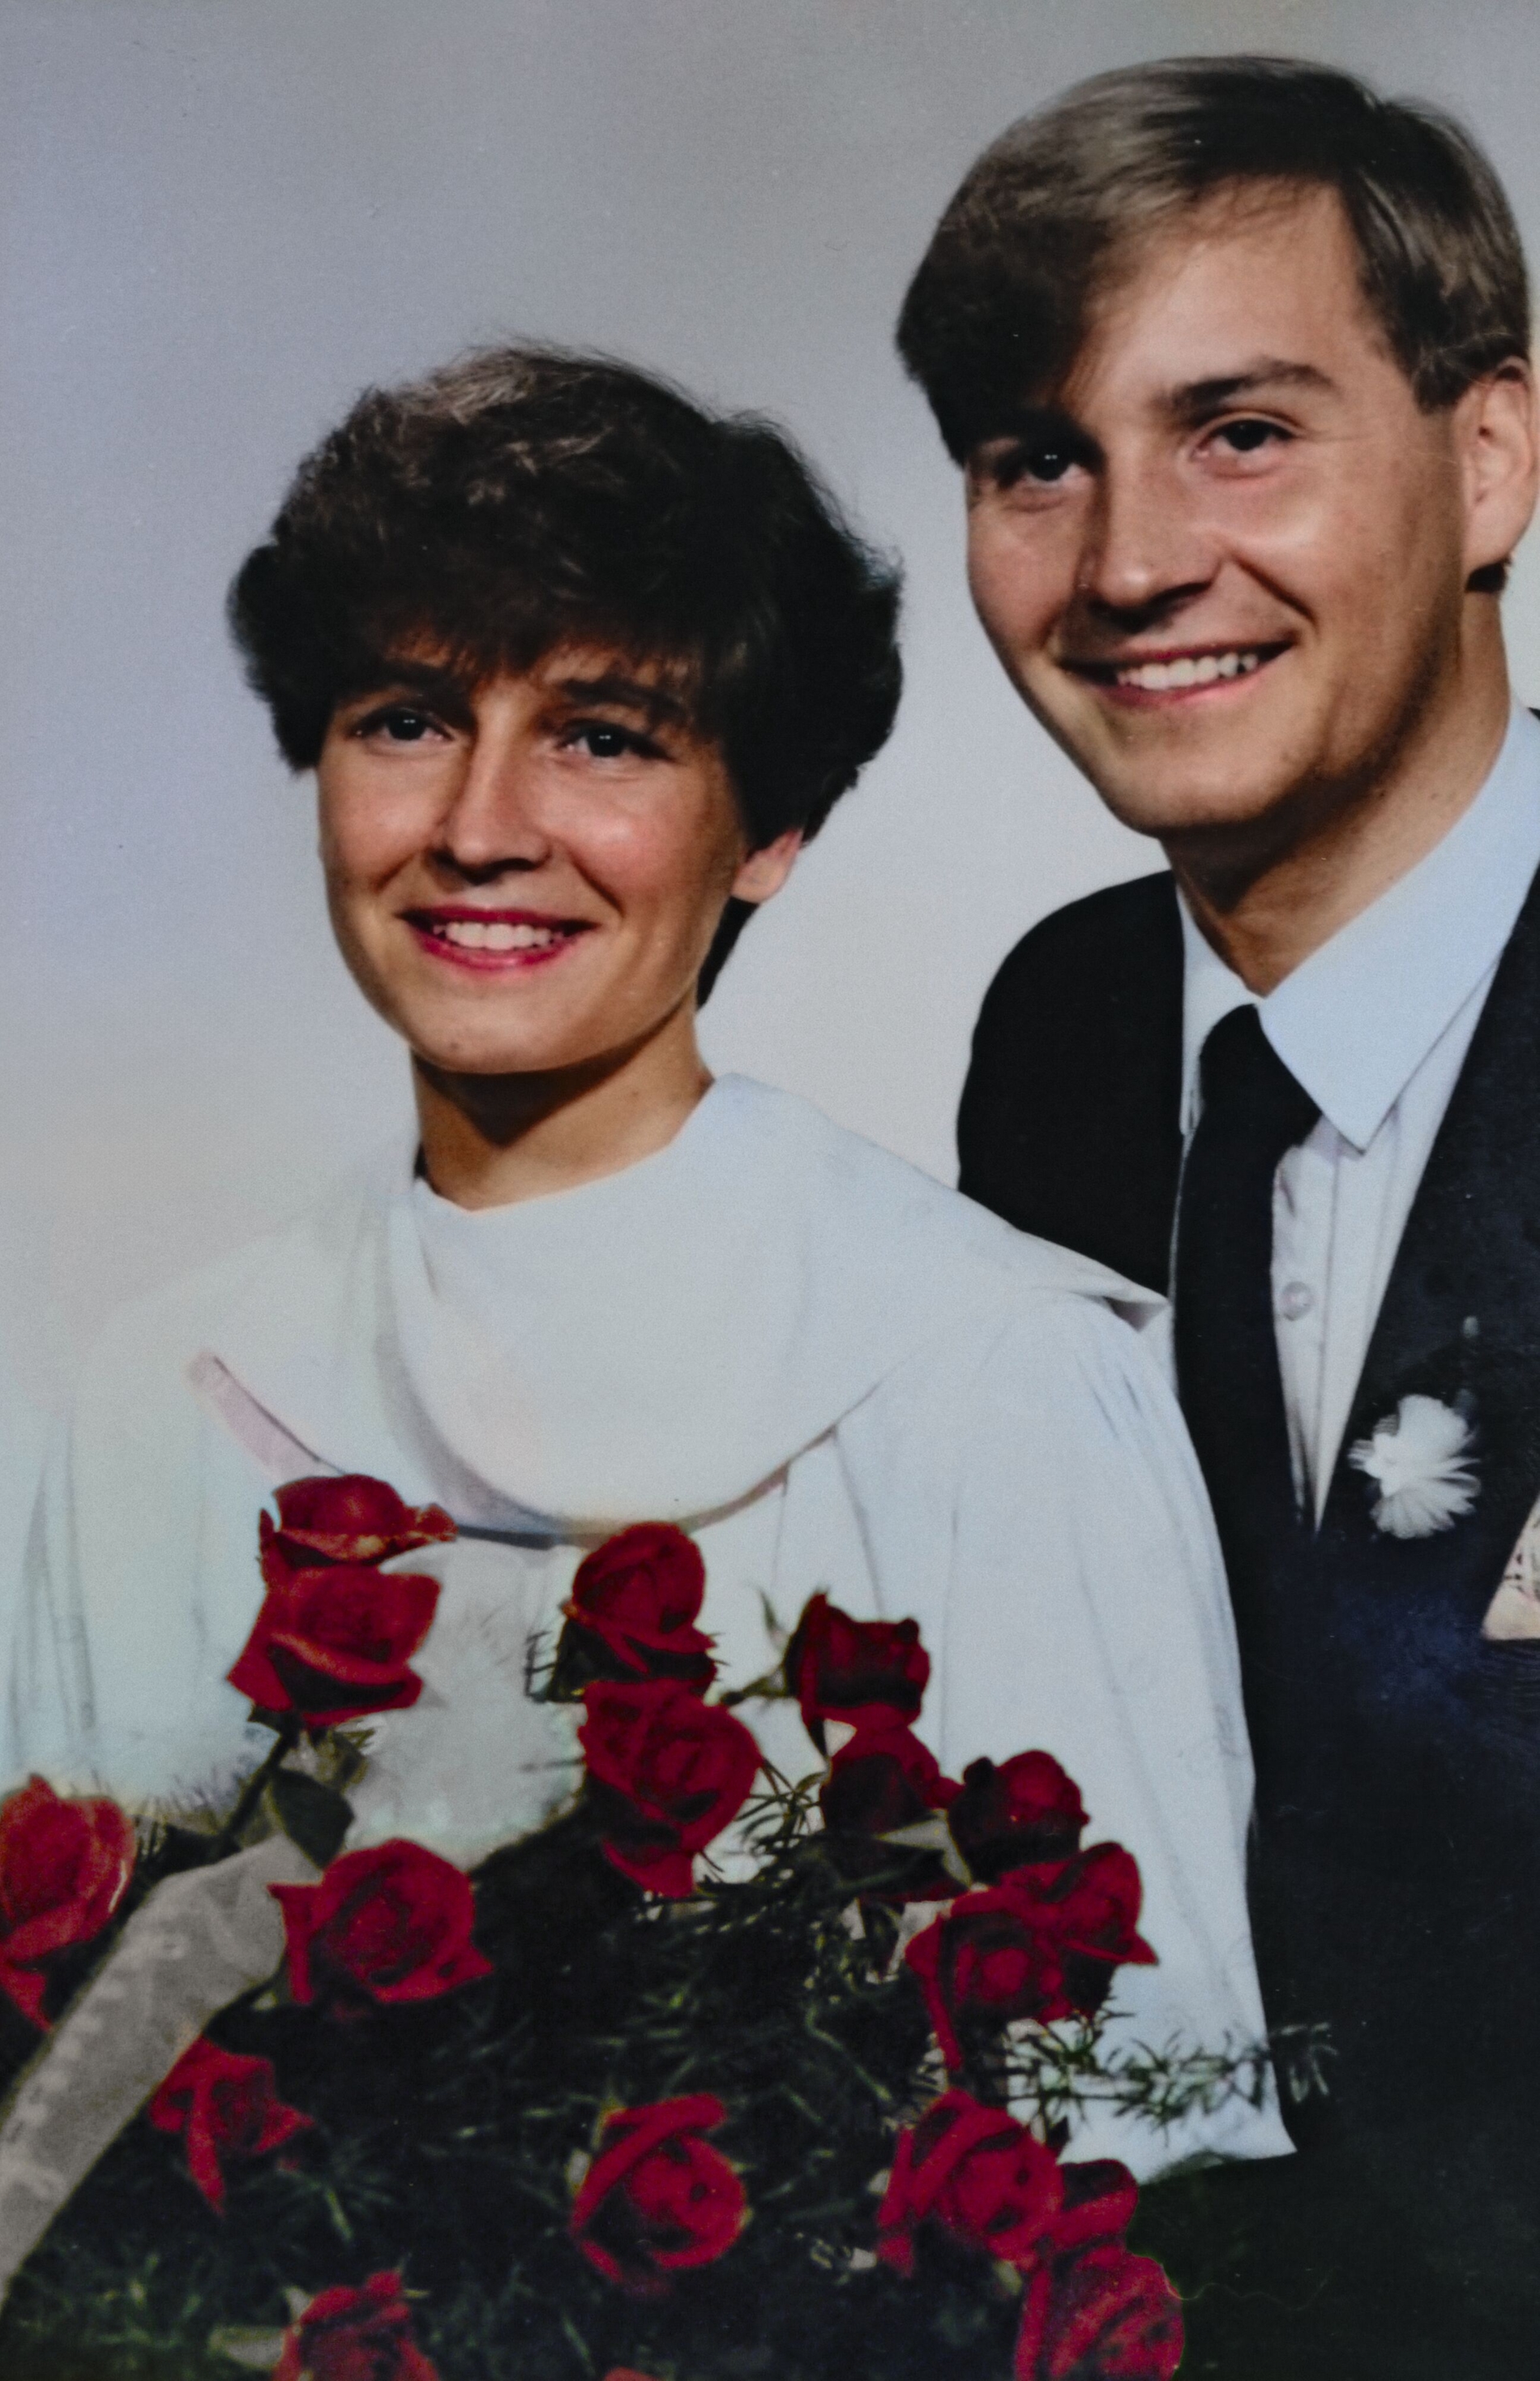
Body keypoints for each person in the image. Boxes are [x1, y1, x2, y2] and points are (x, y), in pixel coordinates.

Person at [7, 345, 1285, 2180]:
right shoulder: (160, 1399)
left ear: (769, 832)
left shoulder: (991, 1377)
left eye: (603, 735)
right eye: (407, 717)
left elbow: (1148, 2147)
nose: (478, 826)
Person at [898, 53, 1540, 2376]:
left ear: (1490, 459)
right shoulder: (1061, 1034)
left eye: (1239, 431)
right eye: (1035, 461)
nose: (1127, 566)